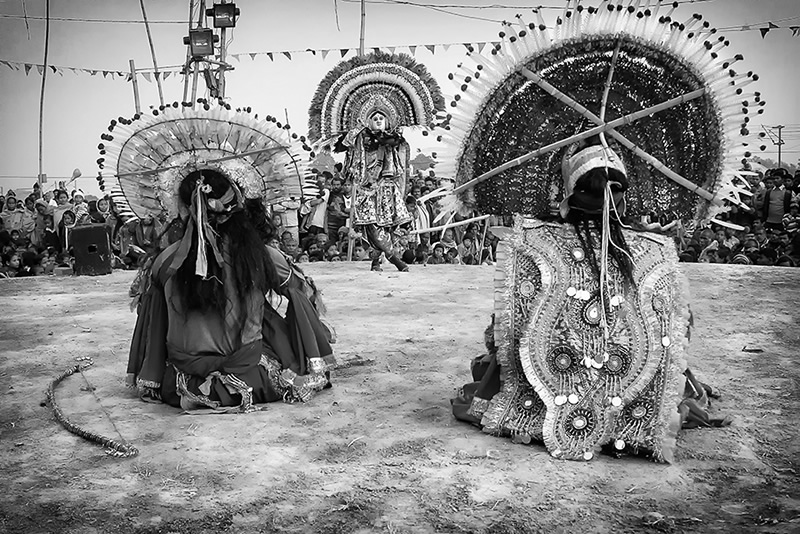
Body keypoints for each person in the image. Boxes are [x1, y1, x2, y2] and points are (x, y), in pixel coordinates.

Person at [451, 137, 729, 462]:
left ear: (569, 195)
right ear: (622, 202)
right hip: (631, 392)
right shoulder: (653, 250)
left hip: (549, 385)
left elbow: (504, 333)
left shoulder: (534, 241)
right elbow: (679, 333)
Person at [126, 168, 336, 411]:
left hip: (179, 383)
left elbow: (152, 321)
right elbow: (303, 294)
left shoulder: (164, 262)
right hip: (250, 380)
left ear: (183, 210)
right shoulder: (263, 256)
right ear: (236, 205)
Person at [338, 106, 412, 272]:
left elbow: (399, 164)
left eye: (381, 118)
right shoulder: (361, 139)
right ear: (368, 121)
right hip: (367, 189)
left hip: (387, 188)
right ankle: (395, 260)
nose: (378, 121)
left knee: (387, 227)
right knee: (372, 227)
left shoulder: (393, 139)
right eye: (375, 118)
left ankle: (376, 262)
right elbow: (350, 152)